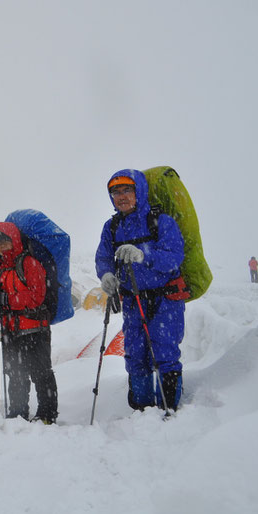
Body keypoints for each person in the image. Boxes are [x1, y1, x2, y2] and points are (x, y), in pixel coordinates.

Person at [95, 170, 187, 412]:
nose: (121, 196)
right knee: (135, 354)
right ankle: (142, 409)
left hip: (165, 298)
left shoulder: (161, 221)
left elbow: (174, 258)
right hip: (133, 301)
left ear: (139, 192)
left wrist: (144, 255)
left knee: (164, 351)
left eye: (127, 190)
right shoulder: (112, 227)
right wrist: (106, 275)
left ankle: (169, 408)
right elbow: (103, 257)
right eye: (116, 192)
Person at [0, 222, 58, 423]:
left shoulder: (29, 263)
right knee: (15, 374)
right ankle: (17, 413)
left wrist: (6, 299)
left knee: (41, 373)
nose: (3, 245)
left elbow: (37, 296)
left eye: (6, 240)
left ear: (15, 239)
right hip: (10, 330)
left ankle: (47, 414)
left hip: (34, 329)